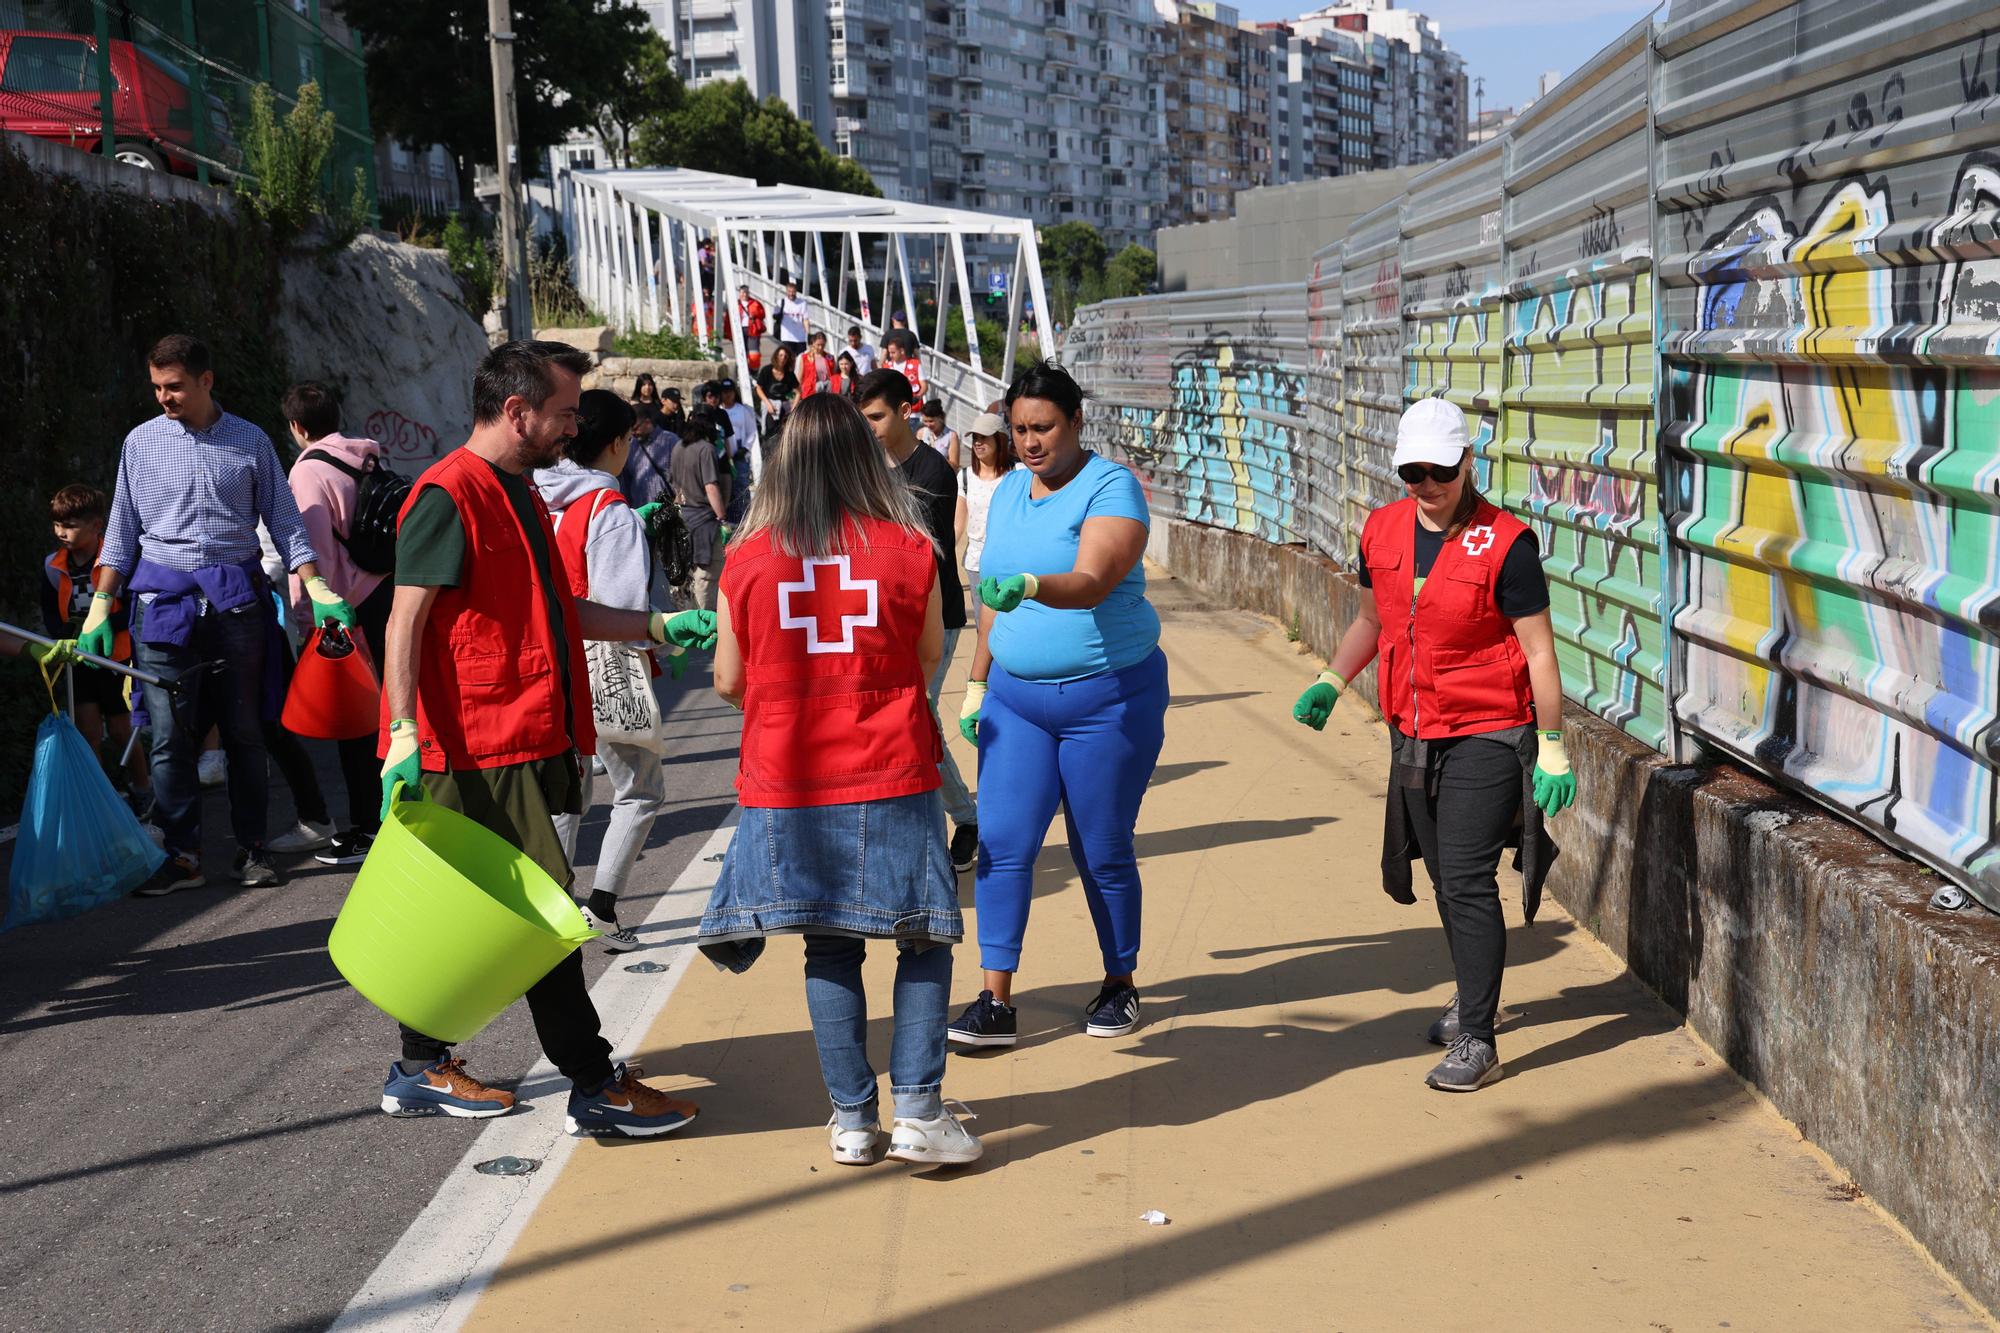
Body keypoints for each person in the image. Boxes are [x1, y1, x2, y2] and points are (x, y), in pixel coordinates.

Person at [375, 339, 717, 1134]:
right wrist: (398, 731)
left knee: (475, 912)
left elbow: (560, 612)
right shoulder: (448, 494)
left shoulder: (519, 491)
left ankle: (420, 1064)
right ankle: (593, 1081)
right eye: (563, 413)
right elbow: (405, 619)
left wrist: (654, 624)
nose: (573, 428)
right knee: (545, 914)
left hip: (523, 736)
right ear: (518, 411)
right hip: (478, 745)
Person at [698, 393, 981, 1168]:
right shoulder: (908, 546)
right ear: (867, 454)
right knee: (921, 935)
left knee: (828, 947)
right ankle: (920, 1109)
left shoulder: (747, 558)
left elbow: (729, 677)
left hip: (788, 775)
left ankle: (854, 1119)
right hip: (891, 766)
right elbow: (925, 659)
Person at [1290, 397, 1573, 1094]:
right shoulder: (1381, 530)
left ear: (1467, 462)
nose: (1427, 485)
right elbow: (1371, 620)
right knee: (1446, 878)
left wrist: (1553, 740)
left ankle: (1479, 1037)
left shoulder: (1506, 543)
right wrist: (1332, 675)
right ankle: (1473, 993)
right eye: (1412, 472)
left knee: (1470, 877)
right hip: (1412, 729)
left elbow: (1538, 651)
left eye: (1440, 470)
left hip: (1489, 729)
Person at [947, 364, 1166, 1050]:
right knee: (1003, 843)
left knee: (1099, 845)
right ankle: (994, 998)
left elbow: (1096, 579)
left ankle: (1119, 981)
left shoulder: (1113, 487)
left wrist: (1034, 584)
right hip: (1017, 699)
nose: (1030, 442)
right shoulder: (1009, 491)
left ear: (1076, 420)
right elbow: (990, 602)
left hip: (1109, 697)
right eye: (1019, 429)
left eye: (1043, 427)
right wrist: (978, 682)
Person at [87, 334, 353, 896]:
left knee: (244, 732)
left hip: (236, 605)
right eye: (157, 387)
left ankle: (251, 850)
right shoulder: (139, 443)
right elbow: (121, 532)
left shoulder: (250, 441)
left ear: (206, 381)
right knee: (167, 738)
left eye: (175, 386)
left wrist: (317, 585)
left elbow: (285, 522)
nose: (164, 397)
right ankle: (183, 856)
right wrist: (101, 606)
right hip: (162, 607)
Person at [535, 389, 678, 950]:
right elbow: (620, 608)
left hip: (551, 664)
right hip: (608, 664)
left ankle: (549, 902)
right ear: (617, 443)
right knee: (640, 788)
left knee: (568, 786)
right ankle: (603, 909)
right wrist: (663, 634)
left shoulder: (535, 494)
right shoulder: (608, 511)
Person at [855, 370, 976, 873]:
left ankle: (964, 819)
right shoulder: (863, 464)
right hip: (881, 612)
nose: (871, 427)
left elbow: (910, 552)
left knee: (917, 713)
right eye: (863, 419)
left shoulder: (932, 472)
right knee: (900, 716)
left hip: (934, 613)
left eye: (878, 417)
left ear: (907, 410)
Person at [280, 381, 395, 864]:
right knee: (392, 711)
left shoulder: (307, 472)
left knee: (357, 722)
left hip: (347, 606)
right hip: (389, 589)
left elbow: (314, 552)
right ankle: (396, 817)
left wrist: (308, 615)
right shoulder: (367, 457)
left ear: (296, 427)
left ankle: (369, 829)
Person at [39, 484, 148, 803]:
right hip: (77, 659)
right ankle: (103, 797)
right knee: (87, 729)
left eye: (70, 526)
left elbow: (130, 605)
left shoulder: (116, 561)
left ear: (97, 525)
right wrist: (61, 635)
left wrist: (105, 626)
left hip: (114, 657)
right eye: (57, 524)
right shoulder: (52, 565)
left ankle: (143, 787)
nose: (62, 532)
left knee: (120, 729)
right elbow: (48, 606)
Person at [670, 405, 733, 611]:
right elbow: (711, 487)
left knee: (685, 576)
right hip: (704, 521)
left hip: (681, 517)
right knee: (706, 576)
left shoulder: (678, 446)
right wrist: (722, 517)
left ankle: (687, 616)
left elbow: (674, 486)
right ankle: (706, 623)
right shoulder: (706, 449)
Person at [954, 412, 1019, 589]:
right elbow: (958, 524)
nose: (977, 442)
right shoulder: (965, 476)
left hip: (1012, 563)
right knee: (982, 616)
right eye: (975, 437)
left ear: (1000, 440)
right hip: (975, 563)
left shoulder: (1020, 473)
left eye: (984, 437)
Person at [754, 345, 799, 437]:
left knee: (784, 432)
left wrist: (793, 408)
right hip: (770, 404)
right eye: (781, 355)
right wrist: (767, 404)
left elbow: (798, 391)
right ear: (776, 356)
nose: (783, 358)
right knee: (769, 431)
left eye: (785, 357)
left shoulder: (789, 373)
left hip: (784, 406)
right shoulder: (766, 370)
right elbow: (758, 388)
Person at [883, 331, 925, 405]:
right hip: (893, 408)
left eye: (893, 352)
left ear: (902, 351)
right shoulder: (886, 367)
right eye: (889, 353)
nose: (890, 355)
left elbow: (924, 386)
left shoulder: (916, 364)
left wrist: (917, 397)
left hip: (913, 410)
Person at [918, 400, 961, 471]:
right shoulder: (921, 433)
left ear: (940, 418)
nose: (928, 425)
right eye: (925, 421)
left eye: (931, 421)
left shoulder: (951, 436)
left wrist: (936, 456)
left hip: (942, 477)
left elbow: (954, 466)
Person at [775, 278, 810, 360]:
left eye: (793, 292)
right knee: (787, 358)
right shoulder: (781, 302)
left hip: (800, 337)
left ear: (796, 292)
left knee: (801, 359)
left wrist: (808, 333)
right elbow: (775, 315)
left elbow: (805, 319)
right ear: (786, 291)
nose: (791, 294)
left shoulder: (802, 303)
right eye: (789, 292)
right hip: (786, 336)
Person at [797, 330, 838, 398]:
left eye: (823, 345)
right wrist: (798, 393)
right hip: (810, 390)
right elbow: (800, 377)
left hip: (827, 389)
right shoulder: (805, 358)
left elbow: (834, 375)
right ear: (813, 343)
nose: (820, 347)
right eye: (818, 345)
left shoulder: (830, 358)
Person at [733, 285, 767, 360]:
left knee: (753, 352)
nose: (744, 294)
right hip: (740, 329)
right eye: (743, 292)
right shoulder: (735, 304)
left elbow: (762, 314)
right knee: (741, 351)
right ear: (739, 293)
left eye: (746, 292)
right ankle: (743, 368)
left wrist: (754, 314)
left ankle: (753, 369)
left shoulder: (755, 303)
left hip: (753, 329)